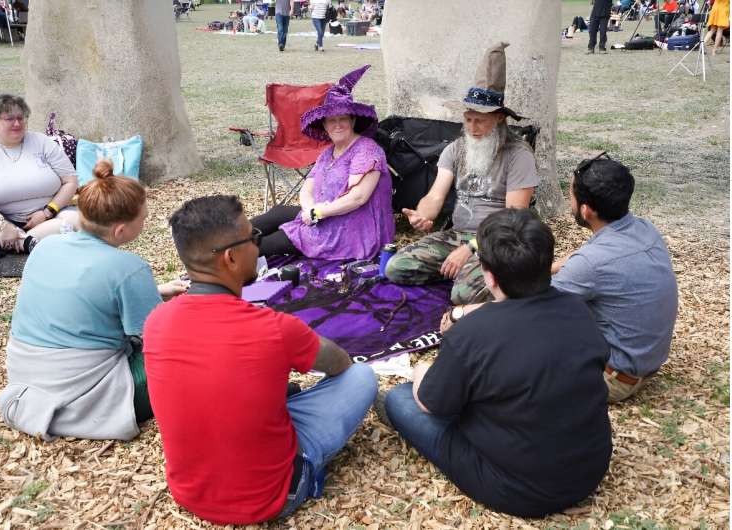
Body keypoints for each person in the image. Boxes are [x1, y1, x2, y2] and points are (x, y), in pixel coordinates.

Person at [143, 195, 377, 525]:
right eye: (254, 237)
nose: (259, 245)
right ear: (230, 257)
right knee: (362, 377)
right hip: (276, 496)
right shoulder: (274, 329)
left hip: (189, 493)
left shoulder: (156, 321)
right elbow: (340, 364)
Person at [381, 208, 612, 518]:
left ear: (488, 276)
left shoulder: (471, 334)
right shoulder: (578, 309)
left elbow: (430, 404)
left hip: (514, 487)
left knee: (399, 399)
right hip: (589, 468)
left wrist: (420, 370)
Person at [0, 160, 188, 441]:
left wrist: (153, 291)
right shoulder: (127, 267)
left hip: (26, 379)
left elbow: (79, 298)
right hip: (87, 394)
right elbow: (159, 338)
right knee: (187, 354)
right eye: (143, 219)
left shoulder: (45, 247)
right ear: (120, 231)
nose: (145, 223)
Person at [385, 43, 538, 305]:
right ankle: (467, 274)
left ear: (499, 118)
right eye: (468, 119)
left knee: (462, 295)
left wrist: (471, 249)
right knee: (396, 268)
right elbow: (435, 195)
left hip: (500, 241)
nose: (472, 127)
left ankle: (475, 277)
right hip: (457, 235)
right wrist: (423, 214)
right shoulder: (457, 149)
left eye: (480, 120)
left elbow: (515, 218)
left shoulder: (518, 154)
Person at [551, 155, 678, 403]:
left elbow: (529, 308)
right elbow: (586, 261)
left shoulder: (591, 263)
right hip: (644, 362)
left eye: (570, 196)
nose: (569, 201)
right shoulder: (644, 228)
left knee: (519, 341)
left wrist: (465, 313)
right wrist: (552, 267)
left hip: (612, 380)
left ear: (586, 210)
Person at [251, 65, 394, 260]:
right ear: (324, 125)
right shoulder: (328, 153)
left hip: (354, 228)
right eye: (331, 120)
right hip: (325, 214)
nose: (337, 125)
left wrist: (317, 212)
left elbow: (358, 198)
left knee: (271, 242)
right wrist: (310, 208)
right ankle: (223, 239)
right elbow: (307, 187)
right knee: (276, 213)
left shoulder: (367, 150)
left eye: (342, 118)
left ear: (352, 121)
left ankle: (228, 256)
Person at [0, 94, 80, 256]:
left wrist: (47, 212)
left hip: (50, 215)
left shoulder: (43, 142)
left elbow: (70, 181)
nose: (17, 123)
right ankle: (26, 242)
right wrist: (2, 224)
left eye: (21, 118)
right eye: (9, 119)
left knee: (79, 220)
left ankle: (4, 242)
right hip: (2, 218)